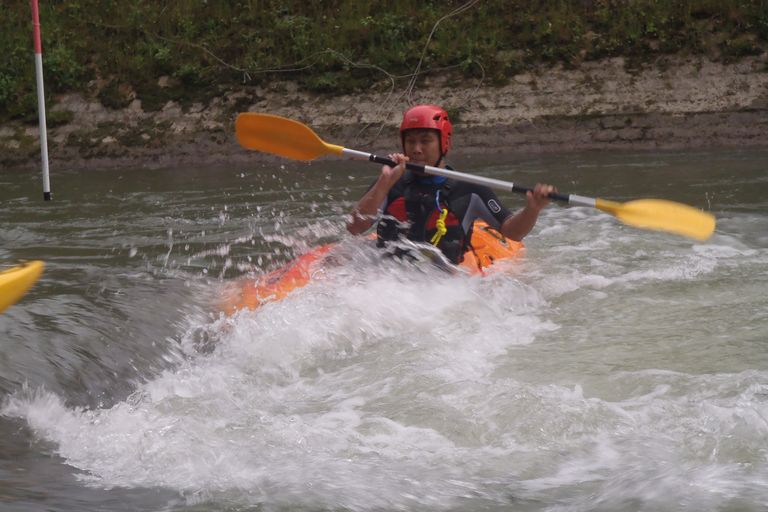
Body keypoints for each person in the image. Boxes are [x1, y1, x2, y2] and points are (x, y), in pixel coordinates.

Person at [347, 104, 554, 264]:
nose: (417, 149)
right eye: (410, 141)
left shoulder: (469, 187)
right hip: (388, 277)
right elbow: (355, 227)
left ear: (444, 143)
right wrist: (384, 183)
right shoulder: (390, 179)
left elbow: (512, 232)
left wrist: (532, 208)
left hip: (443, 285)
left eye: (425, 141)